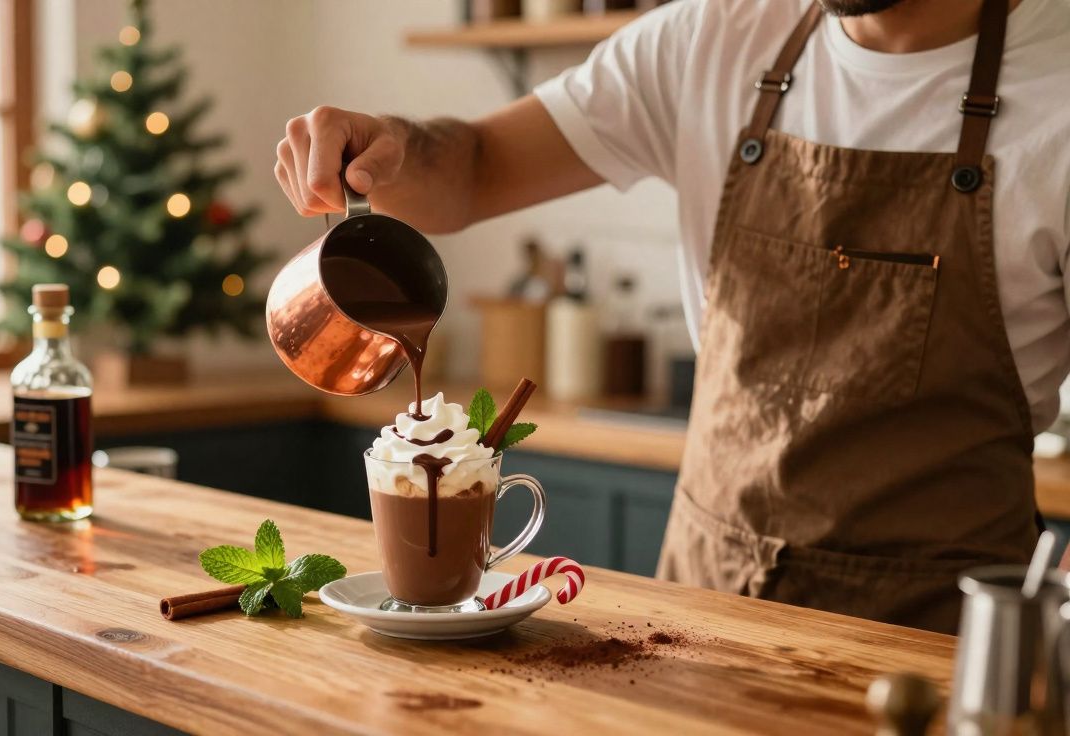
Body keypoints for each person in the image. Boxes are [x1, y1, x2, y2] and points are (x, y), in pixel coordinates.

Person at [273, 0, 1070, 634]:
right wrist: (392, 147)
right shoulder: (710, 37)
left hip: (937, 645)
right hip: (705, 619)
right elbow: (475, 169)